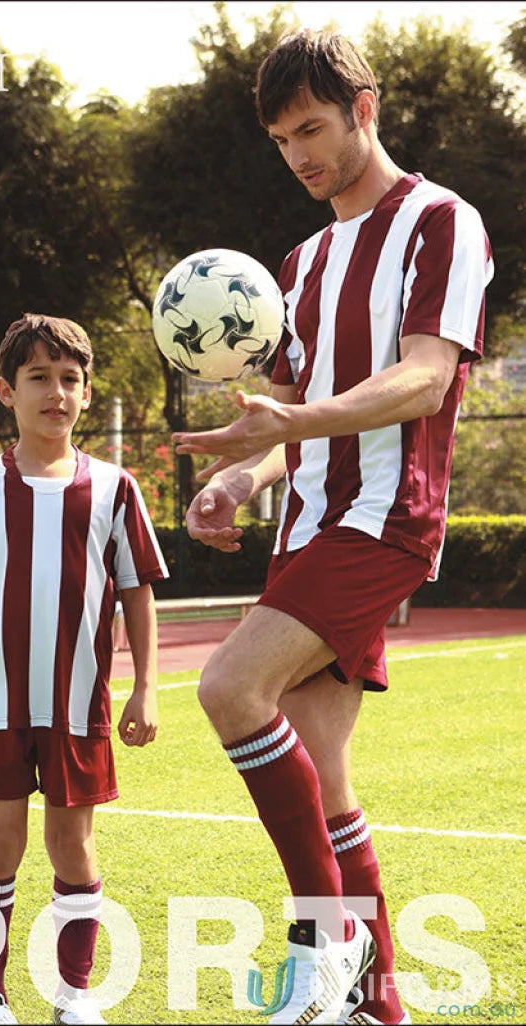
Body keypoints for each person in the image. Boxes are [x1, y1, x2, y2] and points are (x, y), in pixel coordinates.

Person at [172, 29, 493, 1026]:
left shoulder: (441, 222)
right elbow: (283, 419)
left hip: (383, 521)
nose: (298, 154)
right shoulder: (297, 265)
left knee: (227, 685)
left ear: (364, 108)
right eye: (279, 140)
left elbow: (424, 376)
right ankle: (376, 1007)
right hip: (309, 527)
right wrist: (240, 476)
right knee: (325, 778)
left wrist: (296, 423)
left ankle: (326, 937)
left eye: (310, 127)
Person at [0, 313, 168, 1026]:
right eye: (39, 377)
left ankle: (74, 996)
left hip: (80, 706)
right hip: (1, 704)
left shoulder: (114, 488)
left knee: (73, 844)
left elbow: (137, 593)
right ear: (7, 392)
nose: (56, 392)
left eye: (70, 379)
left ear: (88, 394)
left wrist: (147, 687)